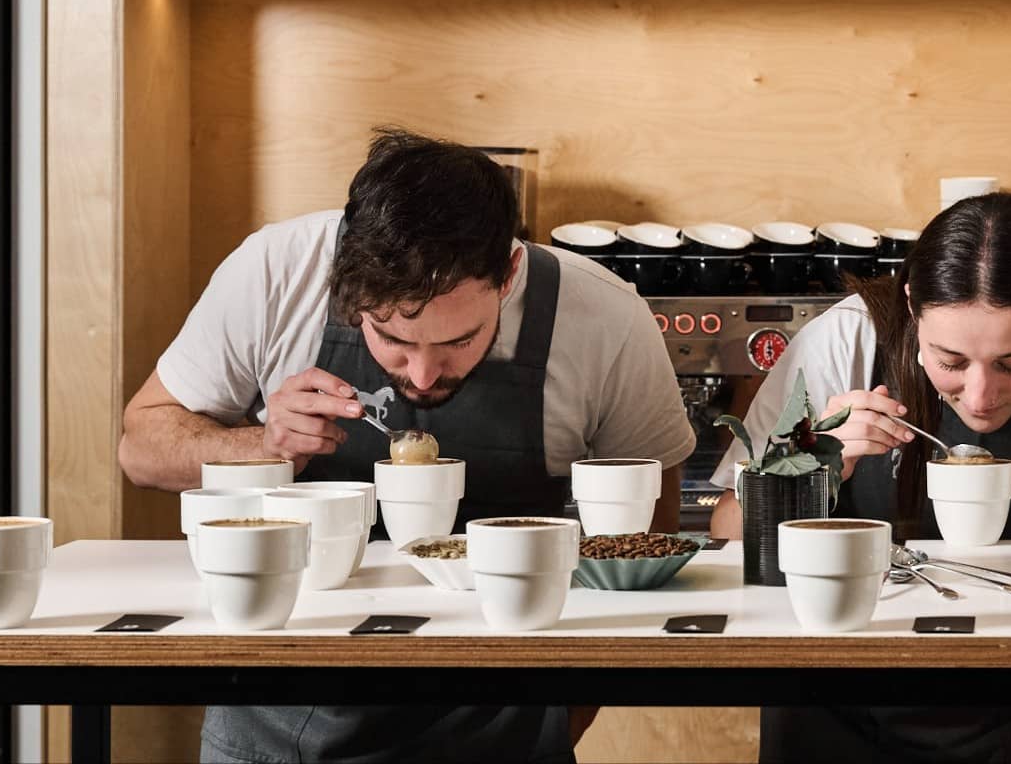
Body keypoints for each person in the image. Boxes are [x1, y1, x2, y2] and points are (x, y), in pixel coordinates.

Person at [119, 129, 696, 764]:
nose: (421, 376)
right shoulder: (275, 272)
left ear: (508, 274)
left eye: (458, 341)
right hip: (275, 714)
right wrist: (264, 444)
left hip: (507, 722)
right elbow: (141, 448)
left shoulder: (604, 316)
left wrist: (561, 721)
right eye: (391, 338)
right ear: (346, 281)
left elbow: (645, 541)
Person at [710, 193, 1011, 764]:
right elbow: (727, 529)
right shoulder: (847, 342)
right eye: (951, 361)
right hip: (828, 685)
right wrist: (812, 463)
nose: (981, 397)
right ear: (913, 305)